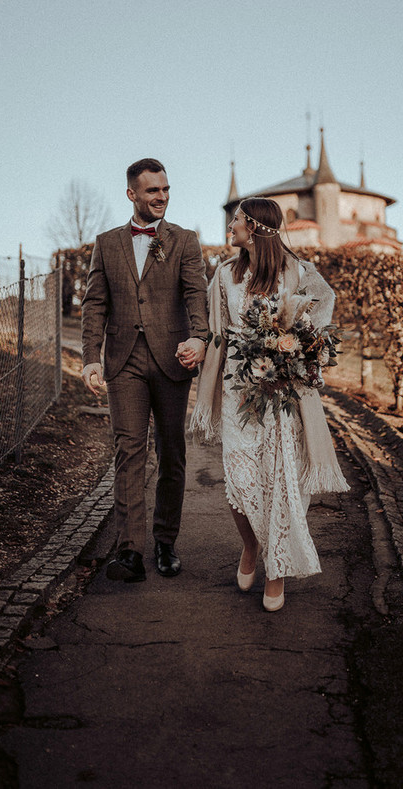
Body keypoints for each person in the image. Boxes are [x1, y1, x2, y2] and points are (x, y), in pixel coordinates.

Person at [190, 197, 349, 611]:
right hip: (236, 388)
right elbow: (216, 329)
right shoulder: (224, 274)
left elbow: (323, 303)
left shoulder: (296, 270)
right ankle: (250, 546)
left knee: (280, 479)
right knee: (240, 479)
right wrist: (198, 352)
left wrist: (302, 345)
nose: (231, 225)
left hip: (282, 392)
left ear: (257, 227)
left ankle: (276, 569)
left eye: (238, 219)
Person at [81, 159, 209, 583]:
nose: (162, 197)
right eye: (153, 190)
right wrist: (91, 357)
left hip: (173, 359)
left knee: (171, 452)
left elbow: (196, 294)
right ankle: (130, 550)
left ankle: (165, 541)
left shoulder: (185, 241)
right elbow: (95, 303)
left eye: (166, 189)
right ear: (132, 194)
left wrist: (200, 338)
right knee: (129, 453)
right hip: (123, 362)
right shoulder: (107, 242)